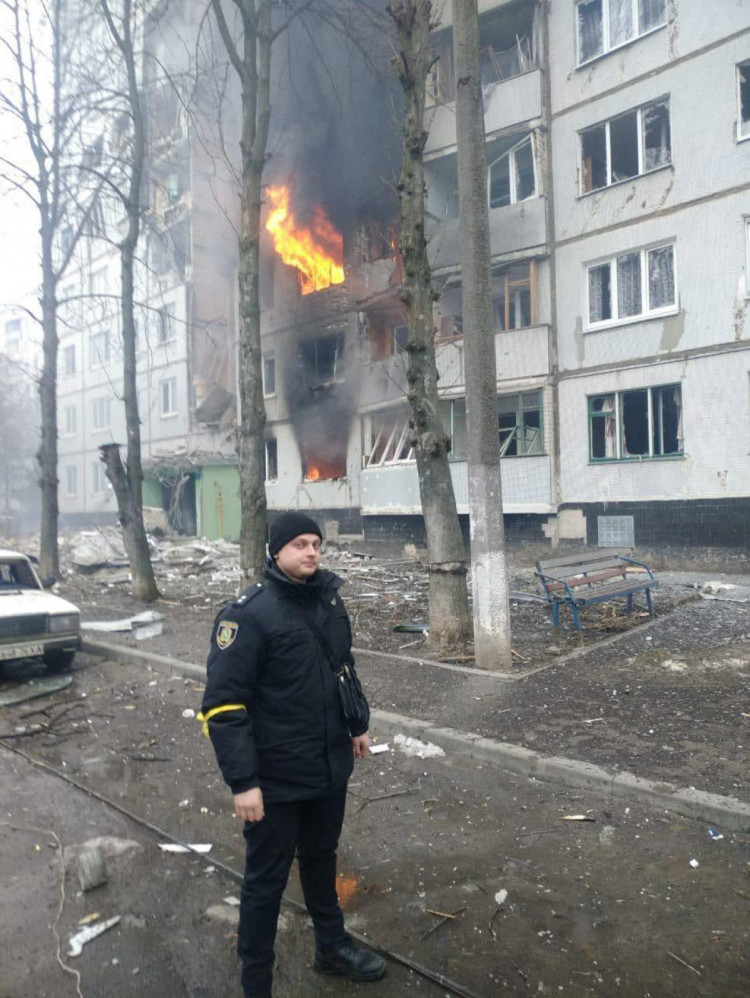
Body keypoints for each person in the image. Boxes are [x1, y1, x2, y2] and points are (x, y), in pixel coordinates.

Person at [200, 511, 386, 998]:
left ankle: (332, 948)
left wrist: (356, 724)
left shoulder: (328, 600)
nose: (311, 552)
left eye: (316, 544)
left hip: (327, 767)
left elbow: (342, 666)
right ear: (276, 551)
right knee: (266, 882)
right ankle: (256, 983)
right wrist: (243, 782)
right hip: (276, 779)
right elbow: (223, 706)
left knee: (321, 859)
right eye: (300, 544)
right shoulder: (247, 616)